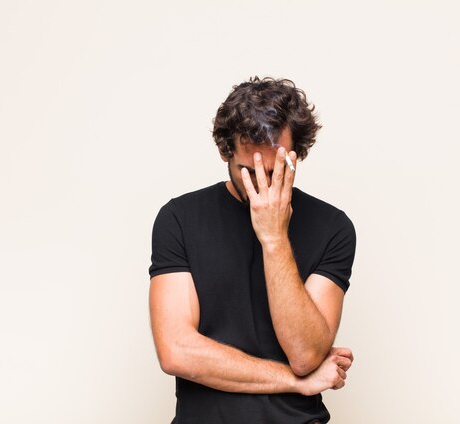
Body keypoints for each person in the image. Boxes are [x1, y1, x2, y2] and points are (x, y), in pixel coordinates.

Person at [149, 77, 357, 423]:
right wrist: (294, 382)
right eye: (248, 171)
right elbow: (177, 352)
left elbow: (305, 354)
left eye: (275, 171)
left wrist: (274, 238)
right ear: (224, 151)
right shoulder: (179, 219)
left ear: (296, 154)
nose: (262, 184)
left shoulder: (333, 227)